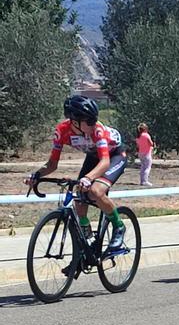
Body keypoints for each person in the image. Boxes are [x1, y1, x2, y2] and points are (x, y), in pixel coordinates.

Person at [25, 95, 128, 250]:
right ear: (75, 122)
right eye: (90, 121)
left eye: (95, 120)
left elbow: (105, 162)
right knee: (79, 197)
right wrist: (37, 175)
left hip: (114, 156)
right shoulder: (62, 131)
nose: (94, 124)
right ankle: (86, 244)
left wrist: (88, 178)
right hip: (94, 157)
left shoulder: (97, 130)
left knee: (95, 191)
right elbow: (52, 164)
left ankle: (119, 226)